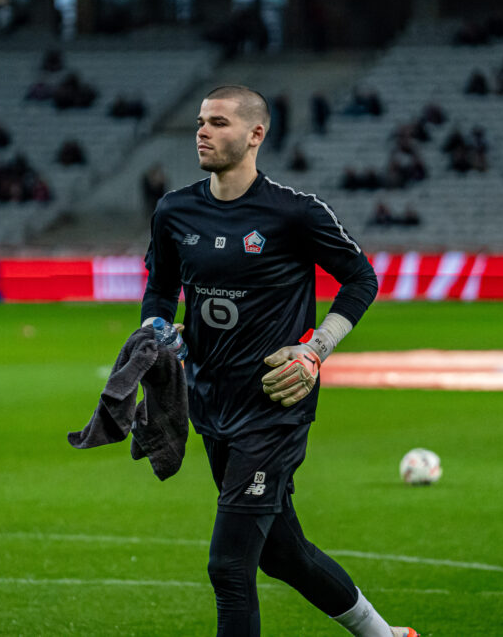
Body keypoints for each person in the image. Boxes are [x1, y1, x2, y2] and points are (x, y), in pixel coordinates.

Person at [141, 85, 417, 637]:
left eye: (218, 123)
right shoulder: (174, 210)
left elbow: (361, 277)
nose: (203, 131)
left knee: (229, 566)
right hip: (211, 406)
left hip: (275, 408)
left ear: (255, 135)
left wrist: (316, 351)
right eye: (201, 121)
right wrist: (154, 330)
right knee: (281, 554)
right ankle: (386, 636)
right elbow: (162, 288)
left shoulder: (295, 213)